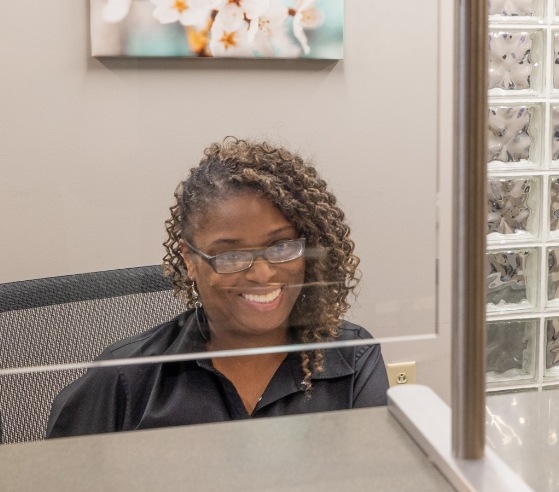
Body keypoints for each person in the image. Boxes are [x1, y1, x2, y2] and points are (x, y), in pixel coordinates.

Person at [46, 137, 388, 438]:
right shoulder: (128, 379)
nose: (262, 273)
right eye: (231, 254)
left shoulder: (352, 358)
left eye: (281, 246)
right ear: (190, 259)